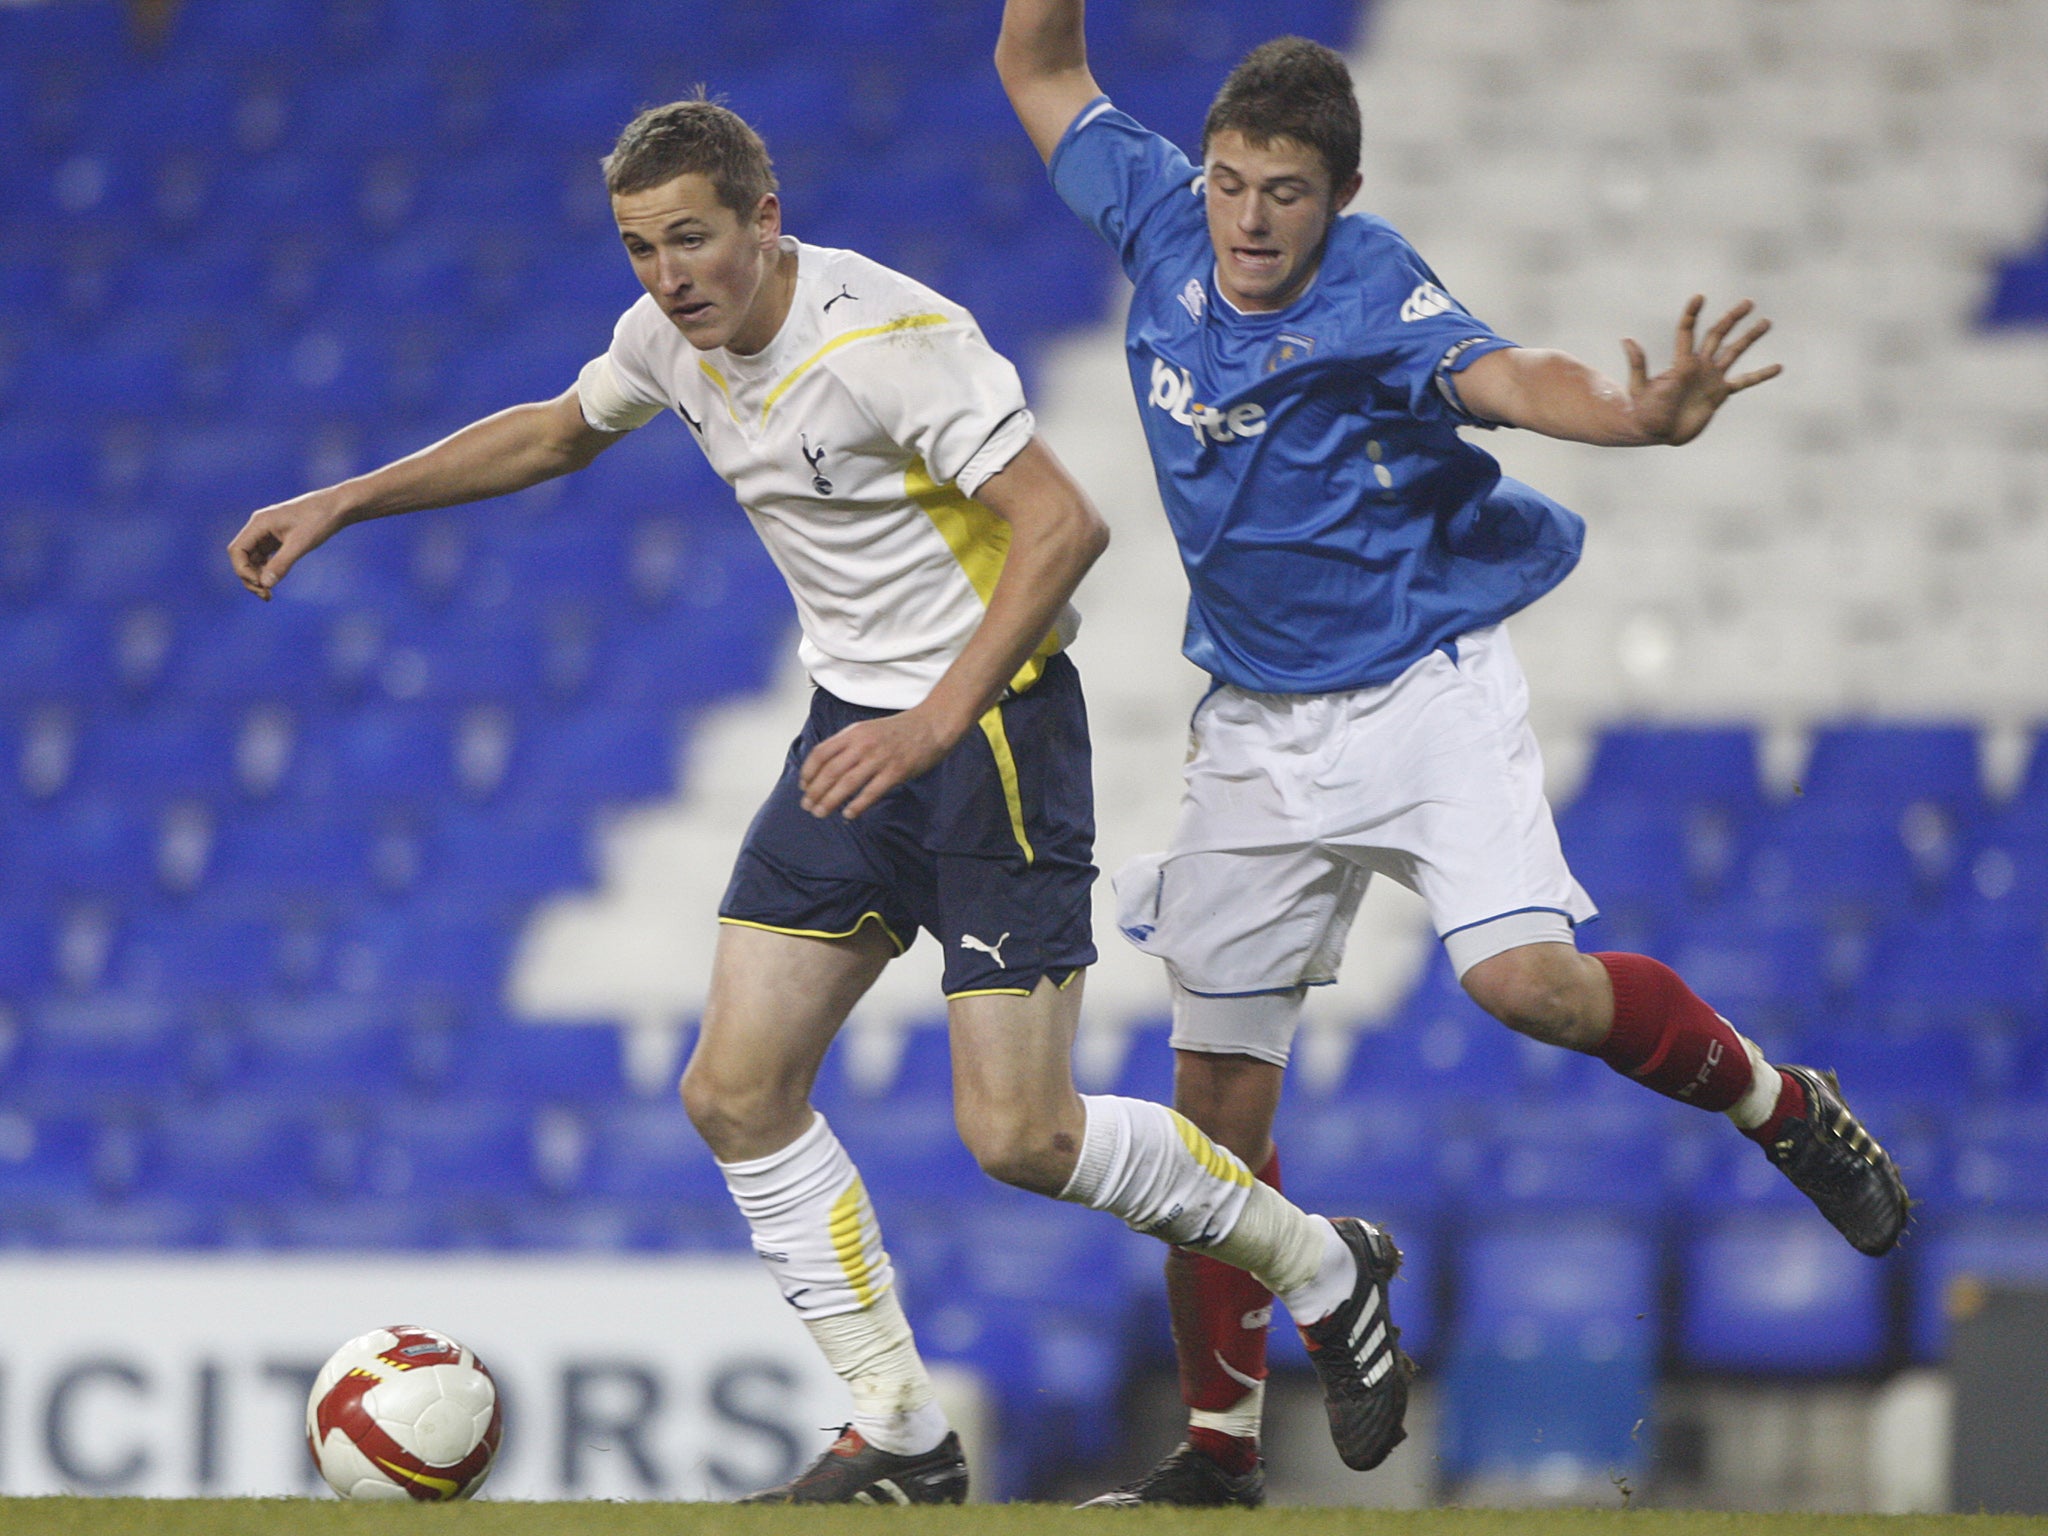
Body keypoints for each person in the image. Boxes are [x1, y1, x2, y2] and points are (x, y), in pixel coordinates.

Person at [228, 94, 1417, 1504]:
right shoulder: (665, 339)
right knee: (734, 1091)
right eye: (640, 249)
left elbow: (1065, 525)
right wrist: (344, 501)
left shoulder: (889, 343)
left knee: (1020, 1139)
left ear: (764, 221)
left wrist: (936, 718)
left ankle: (1324, 1262)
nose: (669, 276)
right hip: (853, 738)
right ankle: (902, 1433)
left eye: (692, 239)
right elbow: (557, 431)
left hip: (992, 738)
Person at [995, 9, 1912, 1509]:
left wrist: (1631, 415)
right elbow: (1040, 66)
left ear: (1339, 198)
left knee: (1526, 987)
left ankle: (1780, 1105)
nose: (1247, 217)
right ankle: (1220, 1455)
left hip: (1421, 689)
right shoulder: (1157, 214)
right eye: (1230, 181)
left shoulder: (1371, 282)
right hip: (1253, 725)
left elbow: (1504, 375)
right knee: (1213, 1113)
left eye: (1283, 191)